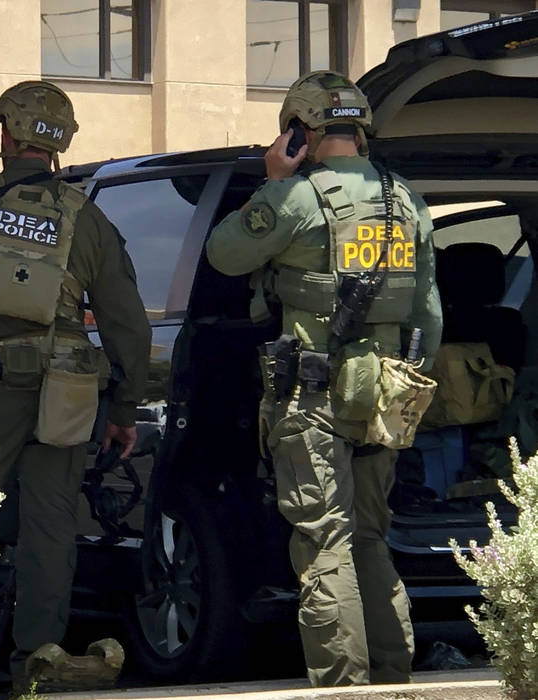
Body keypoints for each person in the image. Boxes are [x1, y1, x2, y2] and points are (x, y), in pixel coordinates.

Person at [0, 80, 151, 690]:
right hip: (68, 390)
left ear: (7, 134)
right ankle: (35, 664)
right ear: (59, 141)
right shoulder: (86, 217)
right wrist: (123, 407)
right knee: (49, 526)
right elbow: (128, 326)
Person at [206, 71, 443, 687]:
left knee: (324, 538)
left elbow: (225, 253)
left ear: (298, 130)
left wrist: (273, 181)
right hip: (385, 391)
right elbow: (430, 315)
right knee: (371, 535)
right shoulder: (407, 199)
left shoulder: (298, 197)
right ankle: (393, 673)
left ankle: (343, 683)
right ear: (360, 129)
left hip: (311, 394)